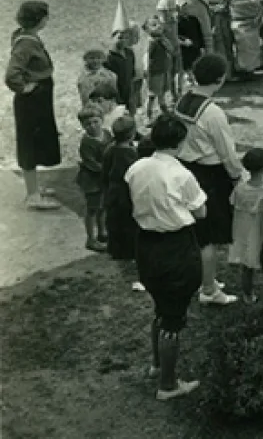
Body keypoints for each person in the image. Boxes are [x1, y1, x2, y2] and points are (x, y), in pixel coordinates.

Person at [126, 113, 206, 400]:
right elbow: (201, 211)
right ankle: (168, 384)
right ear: (180, 142)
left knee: (161, 306)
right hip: (175, 245)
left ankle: (157, 364)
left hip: (146, 243)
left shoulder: (136, 168)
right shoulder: (182, 174)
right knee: (173, 317)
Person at [173, 54, 245, 306]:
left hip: (185, 167)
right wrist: (237, 177)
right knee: (209, 236)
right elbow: (227, 151)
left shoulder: (182, 100)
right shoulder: (213, 112)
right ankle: (208, 290)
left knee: (195, 232)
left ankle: (208, 280)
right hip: (210, 175)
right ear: (220, 79)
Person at [7, 1, 62, 210]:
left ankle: (35, 187)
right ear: (39, 20)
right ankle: (32, 195)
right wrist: (24, 88)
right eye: (45, 16)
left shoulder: (24, 35)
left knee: (39, 140)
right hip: (32, 100)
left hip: (39, 97)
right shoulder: (26, 43)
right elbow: (12, 74)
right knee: (29, 143)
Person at [229, 148, 263, 302]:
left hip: (244, 230)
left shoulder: (239, 189)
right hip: (262, 230)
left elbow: (232, 204)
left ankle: (248, 294)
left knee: (247, 265)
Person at [76, 105, 113, 252]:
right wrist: (108, 170)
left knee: (103, 206)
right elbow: (91, 163)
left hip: (103, 178)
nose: (92, 126)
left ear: (102, 120)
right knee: (92, 209)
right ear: (83, 126)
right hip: (92, 180)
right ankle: (91, 239)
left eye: (95, 121)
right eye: (88, 124)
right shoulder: (87, 143)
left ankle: (102, 232)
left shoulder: (107, 134)